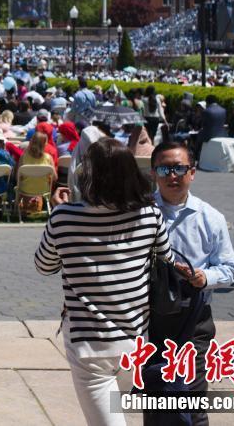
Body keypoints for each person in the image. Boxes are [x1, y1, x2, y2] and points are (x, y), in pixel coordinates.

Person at [36, 137, 173, 426]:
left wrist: (61, 217)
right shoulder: (150, 215)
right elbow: (167, 259)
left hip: (90, 343)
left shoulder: (64, 217)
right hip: (137, 339)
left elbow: (44, 264)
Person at [152, 141, 234, 425]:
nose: (172, 175)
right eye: (164, 168)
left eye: (179, 168)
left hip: (194, 321)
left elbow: (229, 268)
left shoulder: (210, 217)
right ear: (154, 173)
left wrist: (204, 277)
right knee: (154, 400)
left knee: (192, 398)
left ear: (193, 172)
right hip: (149, 321)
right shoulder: (140, 213)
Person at [17, 131, 55, 214]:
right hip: (44, 189)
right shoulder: (49, 158)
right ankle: (35, 205)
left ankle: (22, 207)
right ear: (45, 144)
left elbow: (18, 176)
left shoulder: (23, 157)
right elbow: (55, 177)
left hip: (25, 189)